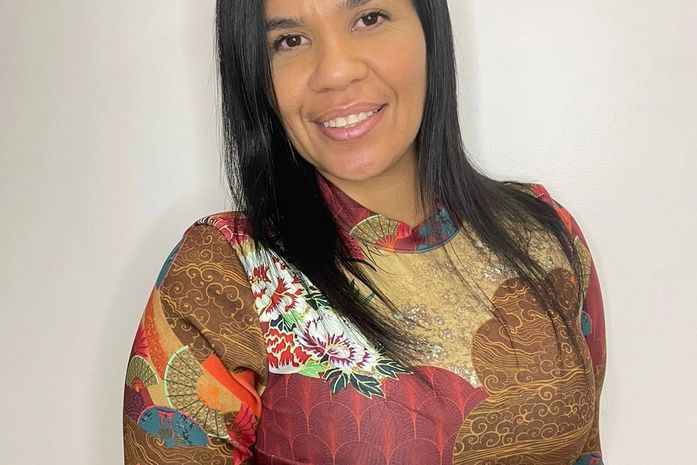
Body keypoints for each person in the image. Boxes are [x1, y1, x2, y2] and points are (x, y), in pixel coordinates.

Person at [122, 0, 606, 464]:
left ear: (429, 28)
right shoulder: (223, 274)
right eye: (289, 41)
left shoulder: (542, 235)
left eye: (369, 18)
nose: (335, 72)